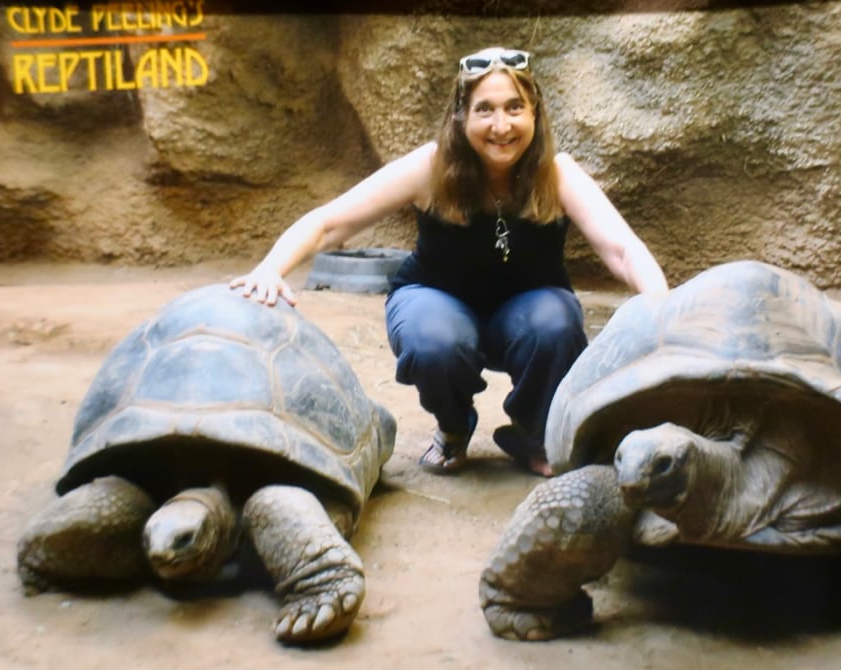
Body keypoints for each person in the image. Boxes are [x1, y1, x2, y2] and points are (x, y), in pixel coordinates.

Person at [230, 46, 668, 477]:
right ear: (461, 116)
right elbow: (329, 223)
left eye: (515, 107)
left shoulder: (558, 174)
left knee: (556, 323)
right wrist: (270, 268)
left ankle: (534, 434)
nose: (501, 125)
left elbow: (622, 250)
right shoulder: (430, 167)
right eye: (485, 110)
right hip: (436, 303)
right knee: (434, 341)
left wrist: (662, 309)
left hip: (527, 316)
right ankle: (453, 427)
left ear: (535, 111)